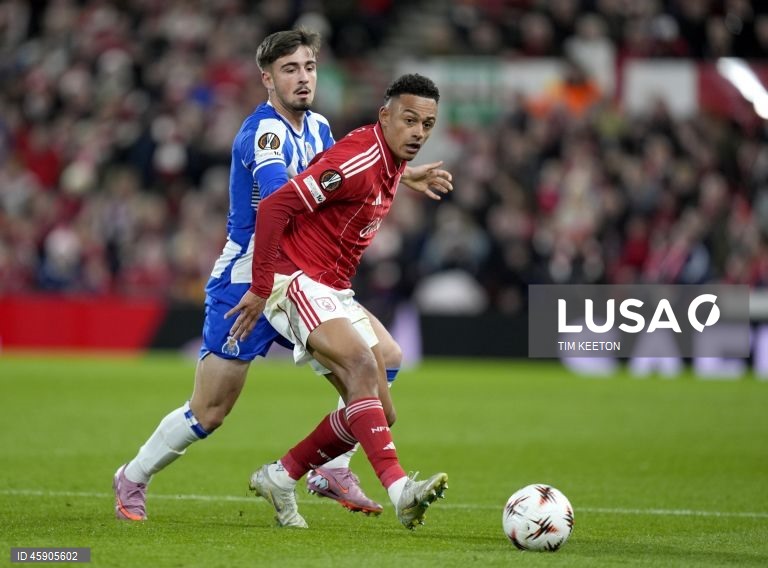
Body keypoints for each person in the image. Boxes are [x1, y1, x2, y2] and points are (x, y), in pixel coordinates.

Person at [112, 29, 452, 521]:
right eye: (290, 69)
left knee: (379, 370)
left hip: (300, 273)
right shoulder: (265, 132)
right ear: (267, 79)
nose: (303, 78)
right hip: (249, 275)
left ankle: (330, 466)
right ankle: (133, 476)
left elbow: (343, 177)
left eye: (309, 67)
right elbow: (285, 199)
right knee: (210, 411)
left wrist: (401, 171)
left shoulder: (317, 128)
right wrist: (259, 284)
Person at [225, 73, 448, 530]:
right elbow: (274, 208)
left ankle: (282, 475)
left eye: (427, 124)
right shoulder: (361, 158)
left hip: (333, 286)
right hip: (295, 278)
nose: (419, 133)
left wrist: (408, 175)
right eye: (409, 120)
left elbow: (378, 165)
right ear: (384, 115)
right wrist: (262, 285)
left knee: (382, 395)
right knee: (364, 369)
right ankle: (400, 489)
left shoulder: (389, 158)